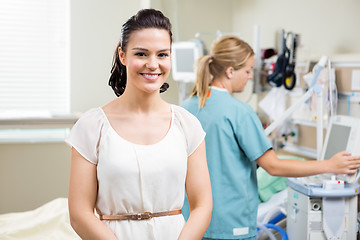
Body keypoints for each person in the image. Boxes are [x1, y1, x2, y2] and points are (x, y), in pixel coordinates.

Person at [181, 35, 360, 240]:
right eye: (247, 71)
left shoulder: (185, 108)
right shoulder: (240, 112)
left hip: (192, 223)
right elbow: (273, 166)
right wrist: (330, 165)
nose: (250, 77)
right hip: (231, 226)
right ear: (230, 71)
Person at [66, 9, 212, 240]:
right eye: (142, 54)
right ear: (122, 56)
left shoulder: (187, 125)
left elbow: (202, 205)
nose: (153, 64)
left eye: (162, 54)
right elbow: (79, 213)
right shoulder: (91, 127)